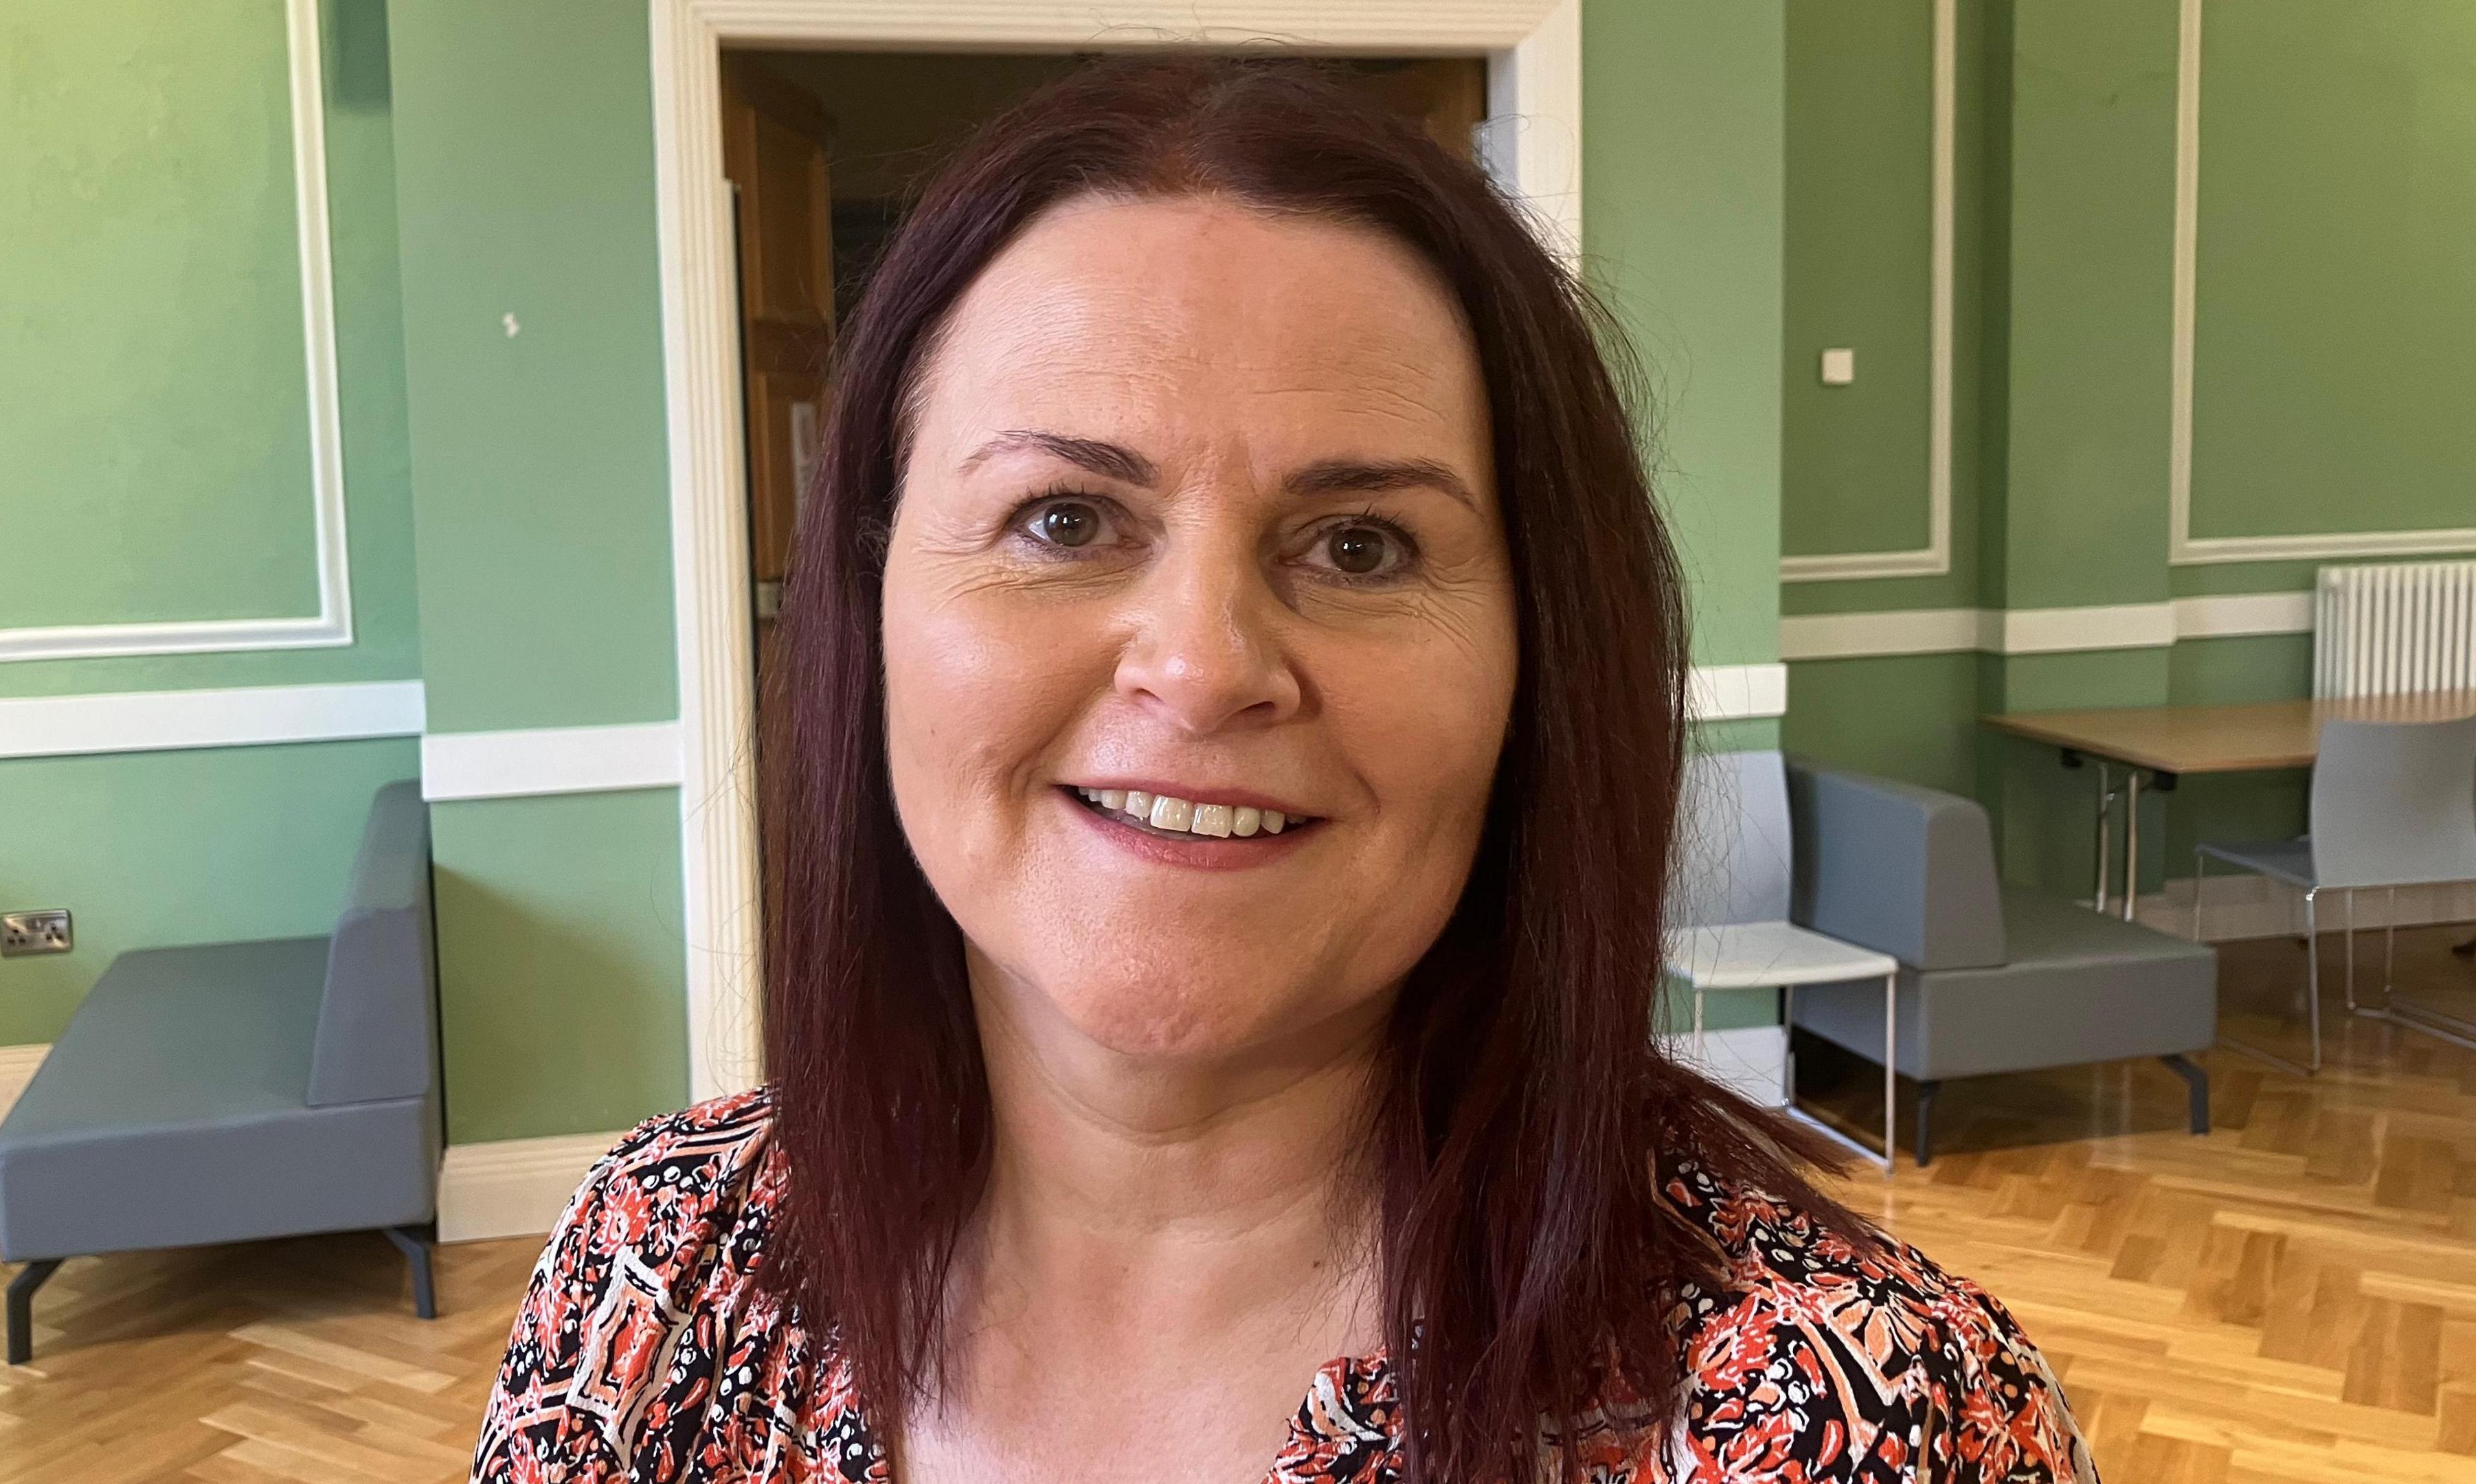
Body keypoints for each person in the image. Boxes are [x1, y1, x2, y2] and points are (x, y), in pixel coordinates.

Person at [473, 56, 2095, 1484]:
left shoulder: (1866, 1420)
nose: (1202, 665)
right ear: (868, 608)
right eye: (1063, 519)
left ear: (1540, 660)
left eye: (1362, 543)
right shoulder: (655, 1269)